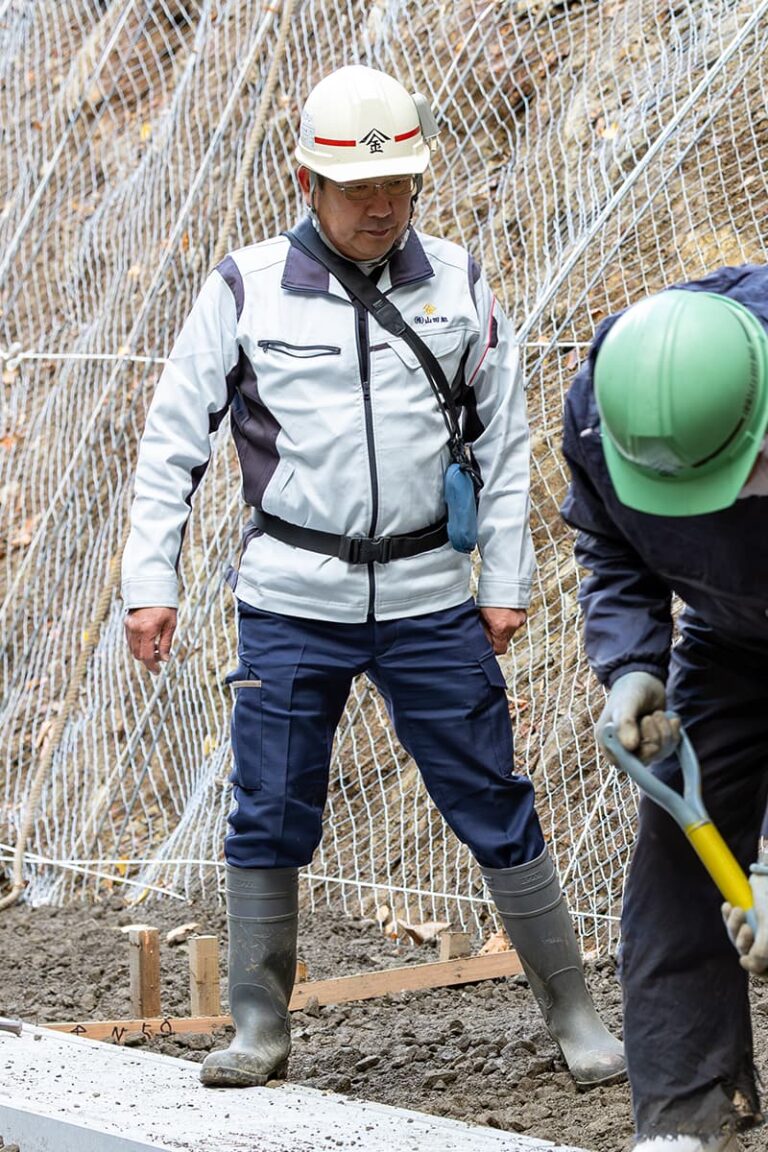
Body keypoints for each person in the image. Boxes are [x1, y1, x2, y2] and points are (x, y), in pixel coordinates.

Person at [122, 64, 624, 1091]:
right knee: (267, 806)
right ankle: (260, 1024)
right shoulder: (246, 287)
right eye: (359, 190)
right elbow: (173, 440)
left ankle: (574, 1012)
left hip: (431, 597)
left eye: (398, 186)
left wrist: (506, 577)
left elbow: (509, 433)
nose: (381, 206)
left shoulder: (461, 283)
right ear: (305, 182)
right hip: (289, 598)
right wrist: (149, 580)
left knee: (493, 794)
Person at [560, 270, 768, 1152]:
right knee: (674, 881)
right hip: (731, 635)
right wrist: (632, 667)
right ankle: (689, 1121)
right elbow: (611, 547)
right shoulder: (604, 412)